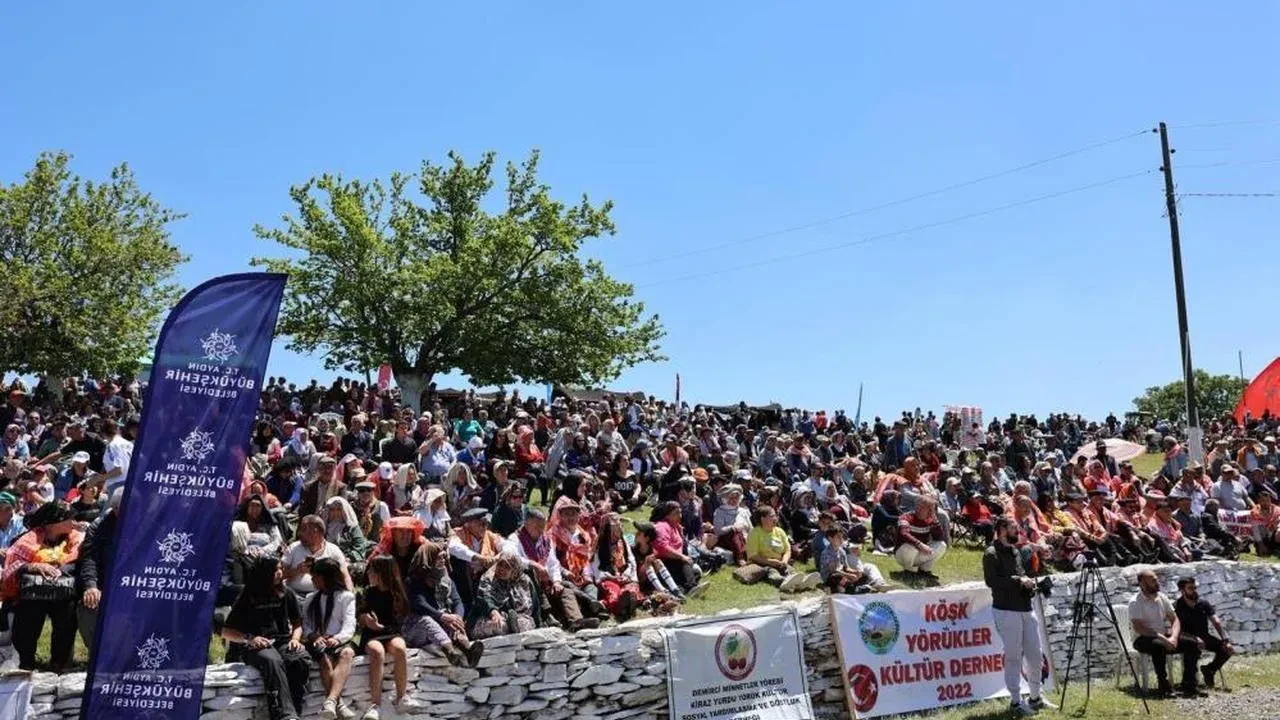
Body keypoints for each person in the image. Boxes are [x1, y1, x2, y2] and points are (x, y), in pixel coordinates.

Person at [221, 556, 310, 720]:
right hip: (257, 646)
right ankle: (286, 715)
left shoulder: (286, 593)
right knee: (273, 661)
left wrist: (295, 640)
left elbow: (297, 624)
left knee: (298, 660)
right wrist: (249, 639)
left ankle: (296, 711)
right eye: (275, 569)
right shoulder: (248, 595)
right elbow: (226, 631)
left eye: (281, 569)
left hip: (283, 641)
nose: (280, 573)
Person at [982, 516, 1053, 716]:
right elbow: (992, 581)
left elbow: (1021, 575)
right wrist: (1019, 581)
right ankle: (1015, 701)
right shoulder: (991, 553)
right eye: (1014, 528)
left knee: (1035, 654)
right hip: (1005, 610)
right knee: (1013, 657)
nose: (1018, 531)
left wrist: (1032, 584)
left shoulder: (1015, 551)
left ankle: (1036, 697)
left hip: (1025, 607)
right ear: (1002, 529)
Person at [1, 501, 83, 671]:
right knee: (28, 614)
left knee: (67, 616)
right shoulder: (29, 539)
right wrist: (34, 566)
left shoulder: (75, 539)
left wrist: (59, 569)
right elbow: (12, 566)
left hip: (63, 590)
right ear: (54, 523)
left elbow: (81, 562)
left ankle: (59, 663)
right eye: (69, 519)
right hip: (34, 592)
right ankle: (25, 662)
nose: (73, 523)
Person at [356, 556, 427, 719]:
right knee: (377, 652)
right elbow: (359, 614)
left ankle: (402, 697)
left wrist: (380, 627)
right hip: (372, 635)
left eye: (372, 571)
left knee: (400, 648)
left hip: (390, 632)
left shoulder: (397, 594)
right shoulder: (368, 592)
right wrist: (365, 618)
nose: (369, 574)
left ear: (382, 573)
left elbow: (400, 623)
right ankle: (375, 704)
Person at [504, 509, 597, 631]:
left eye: (543, 527)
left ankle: (575, 621)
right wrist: (533, 564)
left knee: (564, 590)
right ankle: (547, 616)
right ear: (526, 524)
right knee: (530, 574)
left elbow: (553, 563)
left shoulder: (546, 540)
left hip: (547, 582)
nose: (541, 530)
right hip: (526, 588)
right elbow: (511, 558)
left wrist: (556, 581)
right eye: (537, 527)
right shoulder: (515, 539)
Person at [404, 542, 485, 666]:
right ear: (428, 559)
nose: (442, 561)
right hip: (416, 628)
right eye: (438, 558)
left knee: (452, 622)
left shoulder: (446, 580)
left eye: (443, 557)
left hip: (440, 623)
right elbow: (419, 603)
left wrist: (457, 617)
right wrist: (442, 616)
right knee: (428, 620)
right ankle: (450, 651)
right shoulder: (414, 580)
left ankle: (468, 650)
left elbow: (457, 601)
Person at [1129, 570, 1203, 698]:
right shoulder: (1136, 601)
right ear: (1142, 583)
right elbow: (1139, 627)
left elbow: (1175, 619)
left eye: (1156, 579)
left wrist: (1174, 637)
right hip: (1143, 638)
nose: (1157, 582)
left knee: (1192, 643)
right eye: (1153, 580)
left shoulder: (1162, 597)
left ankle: (1189, 683)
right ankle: (1163, 686)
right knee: (1159, 646)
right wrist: (1163, 638)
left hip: (1163, 635)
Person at [303, 557, 358, 720]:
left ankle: (331, 700)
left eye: (317, 577)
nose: (313, 580)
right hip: (318, 641)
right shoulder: (311, 599)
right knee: (325, 658)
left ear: (327, 578)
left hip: (338, 639)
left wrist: (338, 639)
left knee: (347, 653)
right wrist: (314, 635)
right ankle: (338, 703)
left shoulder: (346, 597)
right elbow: (306, 624)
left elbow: (349, 626)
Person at [75, 487, 122, 652]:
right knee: (89, 606)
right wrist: (91, 586)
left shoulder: (145, 523)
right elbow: (89, 559)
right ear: (114, 508)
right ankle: (99, 654)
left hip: (135, 584)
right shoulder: (97, 526)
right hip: (105, 583)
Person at [466, 550, 542, 639]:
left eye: (507, 567)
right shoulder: (488, 577)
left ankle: (513, 625)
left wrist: (539, 625)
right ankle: (511, 627)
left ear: (515, 570)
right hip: (487, 617)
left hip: (519, 618)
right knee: (498, 626)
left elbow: (534, 606)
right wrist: (493, 612)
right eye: (500, 565)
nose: (502, 569)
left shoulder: (524, 581)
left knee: (526, 623)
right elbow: (484, 598)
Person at [1173, 576, 1233, 689]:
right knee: (1192, 648)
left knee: (1227, 650)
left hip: (1204, 636)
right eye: (1190, 588)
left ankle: (1209, 670)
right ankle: (1189, 683)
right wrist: (1194, 638)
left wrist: (1225, 640)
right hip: (1186, 638)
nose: (1194, 590)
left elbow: (1216, 621)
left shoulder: (1203, 603)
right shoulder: (1177, 606)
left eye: (1195, 587)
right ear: (1182, 590)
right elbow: (1175, 628)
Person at [737, 506, 814, 591]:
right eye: (772, 516)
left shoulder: (779, 531)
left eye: (776, 516)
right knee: (773, 573)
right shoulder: (754, 533)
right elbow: (753, 555)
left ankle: (803, 583)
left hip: (780, 562)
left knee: (791, 571)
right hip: (762, 564)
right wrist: (769, 562)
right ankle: (784, 583)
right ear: (763, 519)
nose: (776, 518)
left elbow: (787, 549)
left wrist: (784, 561)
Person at [588, 513, 644, 622]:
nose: (620, 528)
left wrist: (627, 575)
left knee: (630, 589)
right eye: (616, 526)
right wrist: (612, 577)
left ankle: (617, 604)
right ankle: (621, 607)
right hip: (609, 578)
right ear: (608, 529)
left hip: (625, 576)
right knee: (613, 591)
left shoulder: (623, 541)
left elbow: (631, 561)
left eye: (620, 526)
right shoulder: (599, 544)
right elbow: (595, 566)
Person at [447, 507, 503, 607]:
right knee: (460, 562)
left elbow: (508, 547)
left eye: (486, 523)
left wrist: (497, 557)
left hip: (483, 578)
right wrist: (479, 558)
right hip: (463, 580)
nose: (484, 527)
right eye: (480, 524)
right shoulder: (459, 533)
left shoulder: (490, 536)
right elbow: (453, 547)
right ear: (468, 524)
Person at [283, 515, 350, 596]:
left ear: (316, 532)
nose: (299, 533)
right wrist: (297, 570)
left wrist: (348, 596)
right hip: (295, 595)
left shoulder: (333, 550)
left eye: (303, 529)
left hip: (324, 596)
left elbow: (345, 577)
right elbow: (279, 575)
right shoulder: (293, 548)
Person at [895, 497, 947, 578]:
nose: (930, 511)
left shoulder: (930, 520)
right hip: (903, 554)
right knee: (909, 547)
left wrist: (935, 519)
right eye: (928, 508)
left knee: (942, 545)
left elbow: (939, 538)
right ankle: (909, 570)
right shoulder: (906, 517)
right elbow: (904, 534)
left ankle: (924, 570)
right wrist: (920, 544)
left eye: (931, 509)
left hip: (919, 552)